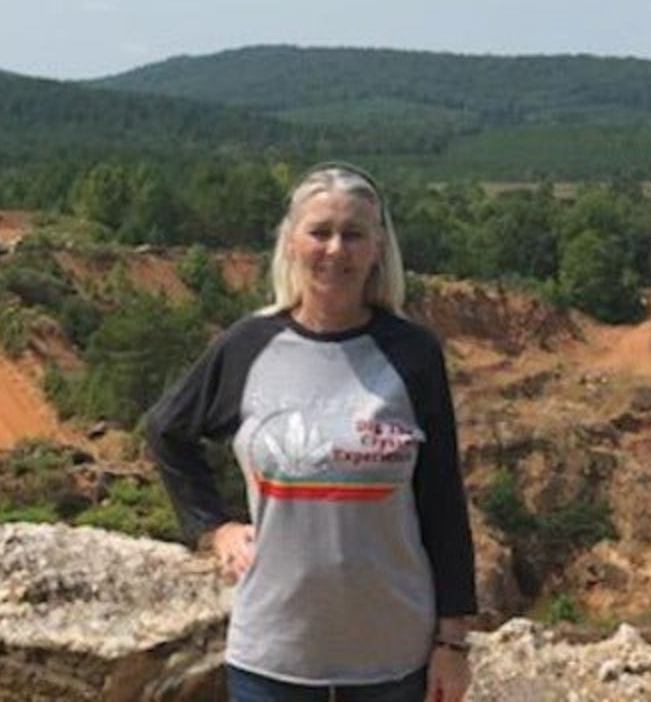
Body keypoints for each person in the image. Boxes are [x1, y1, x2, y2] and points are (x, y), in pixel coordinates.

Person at [146, 162, 477, 702]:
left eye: (353, 234)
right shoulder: (248, 346)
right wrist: (214, 527)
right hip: (273, 656)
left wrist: (453, 643)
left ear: (377, 248)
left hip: (393, 661)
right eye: (319, 232)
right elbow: (168, 432)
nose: (335, 250)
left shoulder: (412, 355)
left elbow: (442, 500)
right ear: (291, 242)